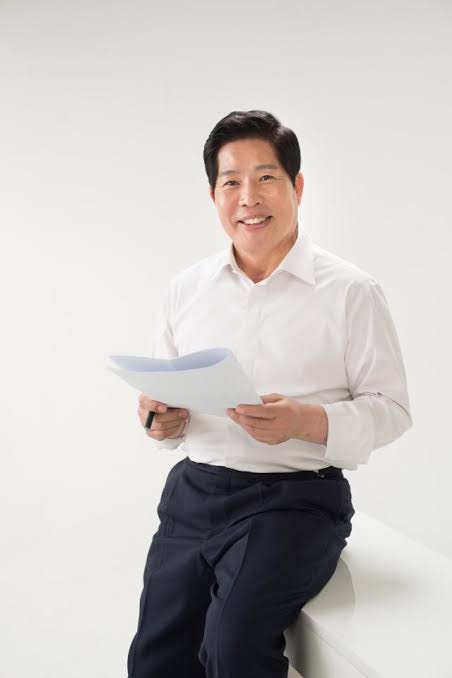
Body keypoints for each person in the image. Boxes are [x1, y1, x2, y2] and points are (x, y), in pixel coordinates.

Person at [126, 110, 413, 678]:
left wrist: (307, 421)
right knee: (153, 661)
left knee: (233, 647)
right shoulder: (186, 290)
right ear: (214, 195)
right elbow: (167, 417)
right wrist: (160, 421)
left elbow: (393, 410)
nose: (248, 198)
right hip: (194, 494)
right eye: (231, 182)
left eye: (265, 178)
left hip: (295, 503)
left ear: (297, 187)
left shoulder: (351, 292)